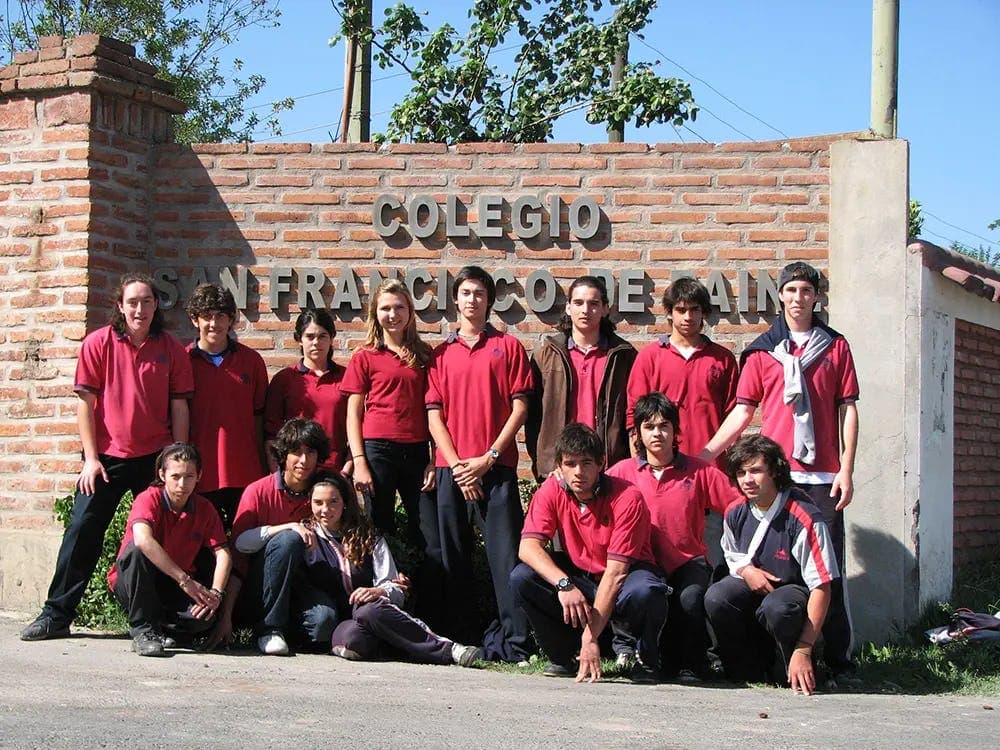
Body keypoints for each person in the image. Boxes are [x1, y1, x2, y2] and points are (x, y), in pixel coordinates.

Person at [701, 261, 859, 681]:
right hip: (775, 478)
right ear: (780, 296)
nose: (798, 298)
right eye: (790, 290)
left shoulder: (835, 346)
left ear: (816, 297)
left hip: (822, 477)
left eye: (805, 291)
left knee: (828, 573)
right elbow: (742, 412)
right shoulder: (761, 351)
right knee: (767, 567)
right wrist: (706, 453)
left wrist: (846, 469)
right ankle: (771, 655)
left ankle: (838, 660)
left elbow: (847, 409)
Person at [21, 272, 194, 642]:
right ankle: (56, 615)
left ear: (156, 306)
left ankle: (158, 621)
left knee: (158, 537)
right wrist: (90, 459)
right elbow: (85, 405)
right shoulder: (97, 343)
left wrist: (178, 461)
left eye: (147, 302)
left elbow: (179, 406)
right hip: (106, 459)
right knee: (81, 530)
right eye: (133, 302)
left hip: (155, 459)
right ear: (120, 306)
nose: (140, 309)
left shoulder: (172, 349)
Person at [425, 265, 534, 663]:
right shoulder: (440, 354)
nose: (473, 299)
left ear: (490, 301)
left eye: (480, 293)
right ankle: (460, 642)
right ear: (456, 299)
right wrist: (458, 466)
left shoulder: (509, 347)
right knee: (453, 558)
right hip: (451, 471)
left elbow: (520, 408)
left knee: (506, 559)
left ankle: (516, 644)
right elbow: (433, 416)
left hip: (496, 469)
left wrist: (488, 458)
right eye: (466, 293)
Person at [511, 423, 670, 683]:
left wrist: (590, 637)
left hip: (627, 576)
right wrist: (564, 584)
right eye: (570, 464)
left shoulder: (627, 497)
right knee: (522, 577)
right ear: (559, 467)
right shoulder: (551, 490)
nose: (578, 472)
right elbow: (527, 548)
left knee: (645, 591)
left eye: (586, 463)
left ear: (601, 463)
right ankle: (563, 657)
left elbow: (616, 574)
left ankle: (647, 658)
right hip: (582, 576)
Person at [606, 392, 741, 681]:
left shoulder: (699, 471)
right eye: (649, 427)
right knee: (640, 593)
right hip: (640, 563)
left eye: (664, 426)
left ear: (675, 430)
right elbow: (589, 495)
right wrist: (559, 478)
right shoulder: (621, 473)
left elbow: (737, 506)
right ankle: (633, 653)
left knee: (690, 599)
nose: (657, 433)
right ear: (637, 434)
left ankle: (691, 664)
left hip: (687, 562)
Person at [704, 435, 839, 696]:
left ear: (775, 472)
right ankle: (744, 670)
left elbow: (822, 587)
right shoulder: (734, 511)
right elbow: (732, 554)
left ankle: (800, 665)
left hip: (793, 598)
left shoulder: (804, 517)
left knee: (778, 607)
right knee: (717, 597)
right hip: (753, 589)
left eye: (756, 471)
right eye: (741, 473)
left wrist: (804, 647)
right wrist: (747, 571)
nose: (747, 480)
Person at [302, 472, 480, 667]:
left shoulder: (368, 536)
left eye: (333, 502)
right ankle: (401, 642)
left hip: (371, 611)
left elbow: (395, 589)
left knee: (369, 611)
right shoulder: (306, 535)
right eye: (318, 503)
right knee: (353, 640)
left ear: (345, 503)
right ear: (310, 503)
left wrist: (377, 591)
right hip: (340, 623)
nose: (325, 510)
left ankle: (450, 650)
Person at [207, 418, 329, 655]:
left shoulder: (326, 490)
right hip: (259, 584)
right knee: (289, 539)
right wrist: (225, 616)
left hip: (303, 582)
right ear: (283, 455)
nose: (304, 461)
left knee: (324, 624)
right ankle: (269, 629)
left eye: (311, 452)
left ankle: (286, 629)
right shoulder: (258, 491)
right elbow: (239, 555)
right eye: (296, 452)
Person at [108, 443, 231, 657]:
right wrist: (185, 580)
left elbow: (223, 552)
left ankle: (165, 631)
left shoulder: (204, 508)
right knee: (137, 551)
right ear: (162, 475)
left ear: (199, 476)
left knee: (203, 617)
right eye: (175, 476)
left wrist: (216, 593)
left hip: (173, 585)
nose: (182, 484)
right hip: (135, 579)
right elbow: (143, 540)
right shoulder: (148, 498)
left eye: (189, 476)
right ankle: (144, 631)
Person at [342, 278, 435, 546]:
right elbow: (353, 415)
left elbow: (435, 409)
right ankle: (382, 576)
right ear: (375, 313)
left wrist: (434, 459)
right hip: (378, 450)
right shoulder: (364, 356)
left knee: (429, 532)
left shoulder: (424, 355)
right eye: (385, 308)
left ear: (410, 312)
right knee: (380, 529)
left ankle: (422, 575)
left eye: (399, 307)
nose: (393, 314)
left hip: (417, 450)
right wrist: (359, 462)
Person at [526, 275, 636, 482]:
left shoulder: (623, 356)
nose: (585, 310)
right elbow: (533, 418)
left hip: (610, 468)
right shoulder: (546, 356)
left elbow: (632, 415)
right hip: (560, 470)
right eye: (578, 303)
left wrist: (626, 465)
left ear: (605, 309)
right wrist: (546, 466)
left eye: (593, 304)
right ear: (568, 308)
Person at [626, 277, 738, 472]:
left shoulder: (723, 359)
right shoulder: (649, 357)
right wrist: (641, 468)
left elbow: (734, 417)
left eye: (694, 309)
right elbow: (634, 417)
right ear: (670, 312)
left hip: (711, 467)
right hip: (662, 466)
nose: (688, 317)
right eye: (681, 310)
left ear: (703, 312)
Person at [185, 283, 268, 530]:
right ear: (195, 320)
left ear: (231, 319)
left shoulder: (251, 361)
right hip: (198, 472)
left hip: (244, 470)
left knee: (246, 541)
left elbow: (260, 417)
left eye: (221, 316)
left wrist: (263, 465)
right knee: (202, 542)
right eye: (207, 316)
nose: (214, 323)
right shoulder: (183, 361)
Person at [264, 308, 351, 475]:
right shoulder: (284, 379)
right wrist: (278, 475)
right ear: (299, 339)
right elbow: (271, 434)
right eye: (310, 337)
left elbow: (358, 428)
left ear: (332, 338)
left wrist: (347, 470)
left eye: (322, 336)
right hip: (295, 472)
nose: (316, 342)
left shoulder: (347, 377)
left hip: (335, 472)